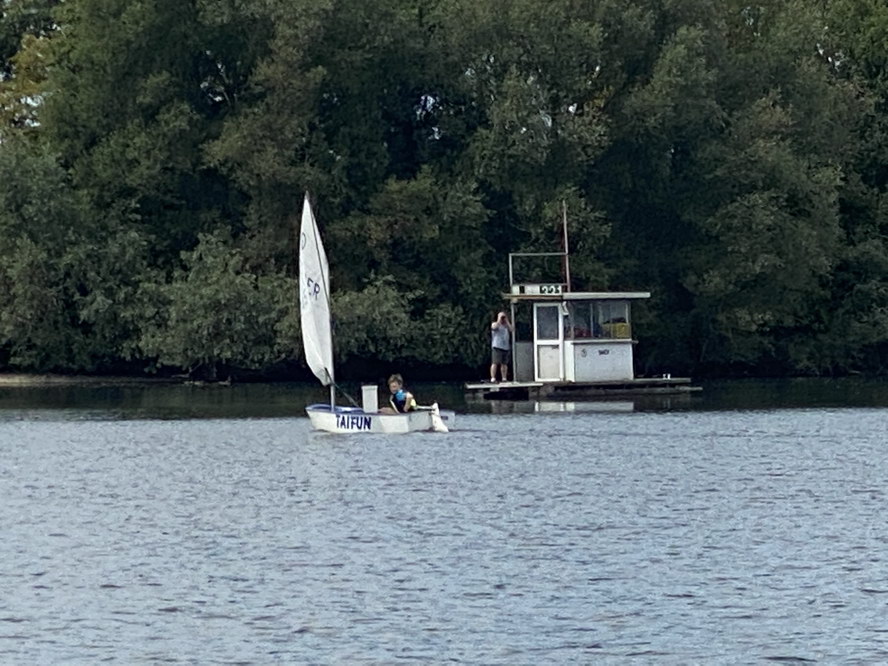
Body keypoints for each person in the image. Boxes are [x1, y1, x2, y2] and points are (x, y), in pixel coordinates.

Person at [489, 311, 512, 383]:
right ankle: (493, 378)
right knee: (495, 362)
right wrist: (499, 320)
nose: (503, 318)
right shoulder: (495, 324)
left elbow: (512, 329)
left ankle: (504, 378)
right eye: (502, 317)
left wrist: (507, 321)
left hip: (505, 347)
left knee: (504, 363)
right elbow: (494, 327)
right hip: (497, 346)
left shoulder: (506, 326)